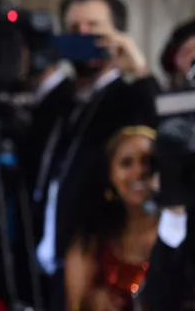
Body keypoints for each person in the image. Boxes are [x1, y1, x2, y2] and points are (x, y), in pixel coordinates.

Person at [33, 0, 160, 310]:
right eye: (74, 29)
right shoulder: (60, 99)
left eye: (94, 28)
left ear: (117, 34)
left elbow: (158, 132)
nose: (83, 35)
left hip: (93, 261)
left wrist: (139, 69)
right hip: (43, 264)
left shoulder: (129, 96)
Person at [64, 126, 158, 311]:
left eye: (148, 161)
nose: (139, 171)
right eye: (126, 163)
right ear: (110, 175)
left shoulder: (183, 230)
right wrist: (90, 302)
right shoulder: (91, 242)